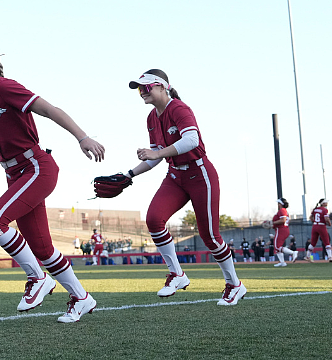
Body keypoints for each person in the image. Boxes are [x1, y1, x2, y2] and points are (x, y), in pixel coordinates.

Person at [0, 41, 104, 322]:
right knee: (42, 247)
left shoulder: (4, 87)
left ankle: (38, 278)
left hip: (36, 167)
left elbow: (51, 109)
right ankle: (81, 298)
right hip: (14, 174)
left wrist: (83, 137)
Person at [97, 69, 246, 306]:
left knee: (210, 237)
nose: (141, 92)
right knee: (154, 219)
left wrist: (156, 153)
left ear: (161, 87)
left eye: (145, 87)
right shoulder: (151, 117)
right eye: (139, 89)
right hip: (176, 175)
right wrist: (129, 173)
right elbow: (155, 156)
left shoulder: (178, 108)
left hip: (200, 174)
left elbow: (191, 141)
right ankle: (177, 274)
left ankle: (234, 285)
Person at [269, 197, 296, 267]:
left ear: (280, 204)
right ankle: (282, 262)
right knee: (277, 247)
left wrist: (273, 223)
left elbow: (283, 220)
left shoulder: (282, 210)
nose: (278, 205)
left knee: (277, 247)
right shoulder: (284, 211)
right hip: (283, 229)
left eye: (278, 203)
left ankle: (293, 253)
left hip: (281, 229)